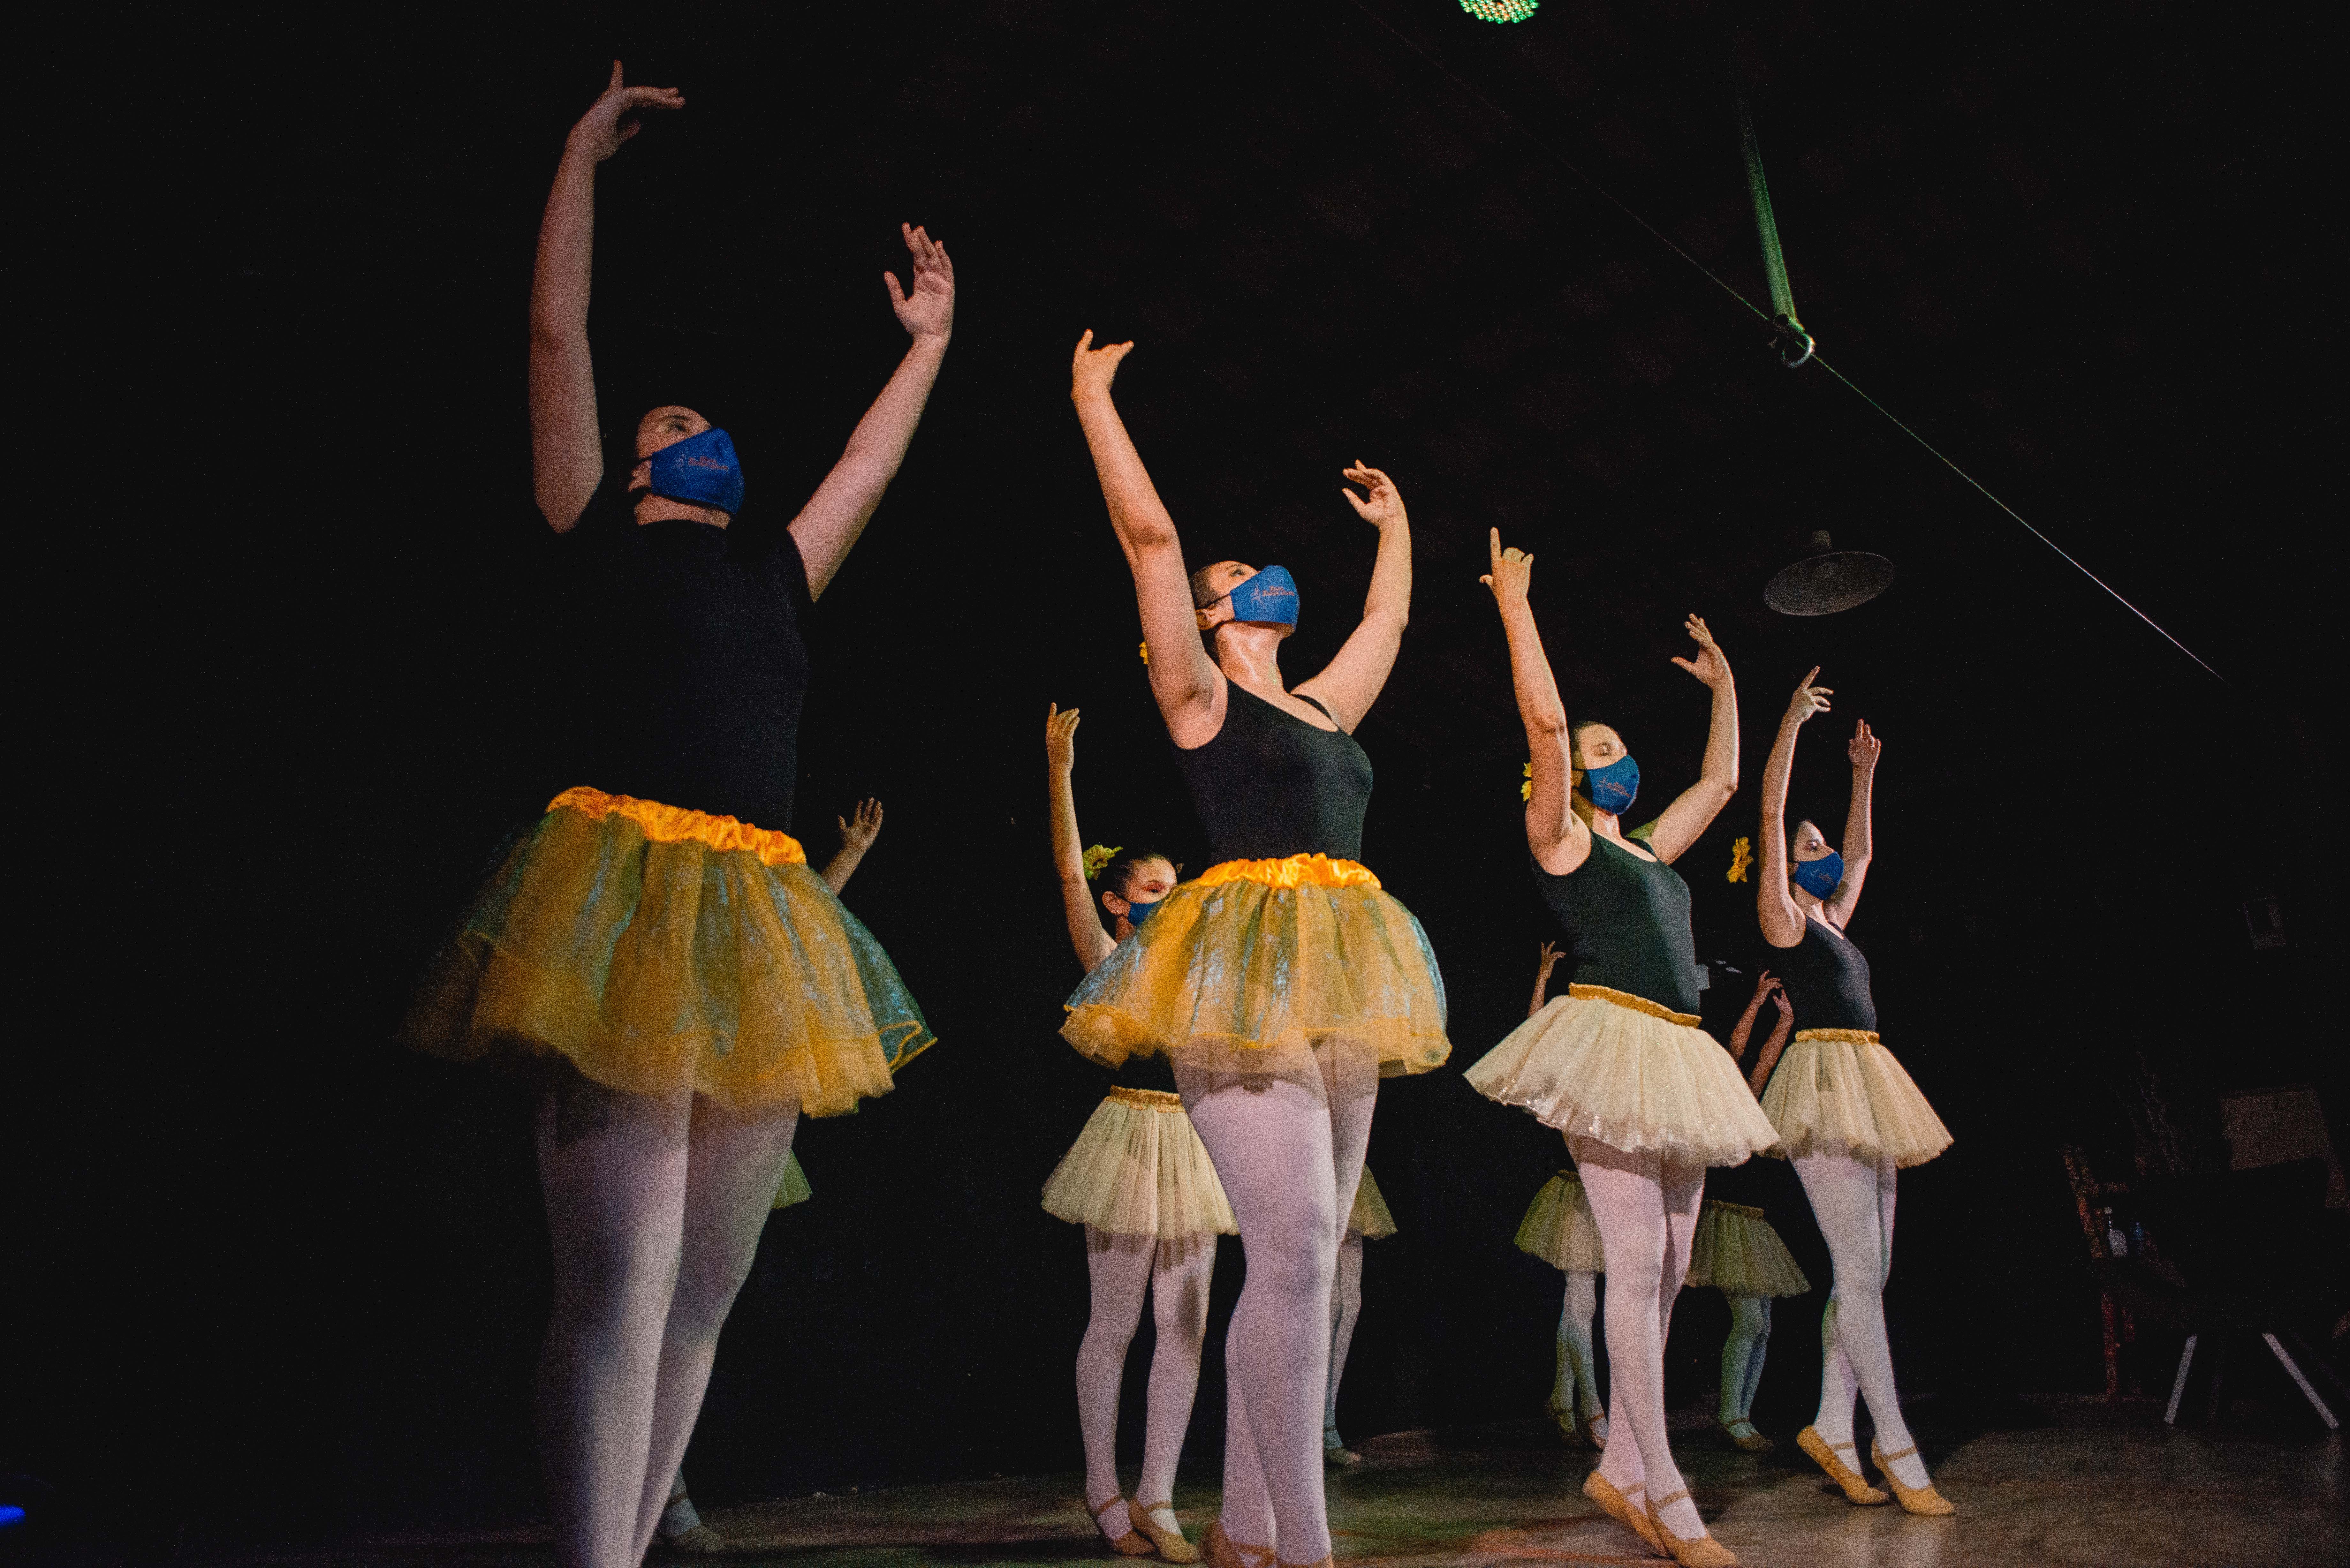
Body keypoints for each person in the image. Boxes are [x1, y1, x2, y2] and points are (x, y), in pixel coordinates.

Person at [396, 62, 954, 1568]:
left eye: (705, 415)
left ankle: (631, 1542)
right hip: (624, 898)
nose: (698, 423)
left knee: (706, 1291)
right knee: (622, 1282)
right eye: (675, 415)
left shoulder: (776, 570)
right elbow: (556, 334)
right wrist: (578, 157)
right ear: (642, 463)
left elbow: (869, 461)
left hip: (759, 917)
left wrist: (927, 345)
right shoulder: (590, 524)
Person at [1060, 332, 1451, 1568]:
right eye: (1239, 574)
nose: (1262, 574)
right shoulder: (1200, 697)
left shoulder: (1324, 704)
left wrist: (1397, 523)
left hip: (1343, 974)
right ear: (1213, 615)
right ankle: (1306, 1549)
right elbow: (1151, 543)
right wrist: (1093, 400)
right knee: (1288, 1249)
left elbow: (1389, 616)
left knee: (1307, 1258)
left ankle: (1243, 1525)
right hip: (1238, 973)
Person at [1463, 533, 1776, 1568]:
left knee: (1672, 1268)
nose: (1617, 755)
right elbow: (1547, 724)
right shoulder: (1560, 838)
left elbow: (1721, 782)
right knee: (1637, 1267)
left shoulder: (1647, 850)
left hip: (1679, 1049)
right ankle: (1666, 1491)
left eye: (1618, 745)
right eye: (1604, 748)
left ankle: (1626, 1468)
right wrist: (1516, 609)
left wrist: (1727, 686)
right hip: (1609, 1039)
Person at [656, 802, 883, 1556]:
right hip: (668, 1100)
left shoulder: (759, 910)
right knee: (642, 1297)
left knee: (696, 1304)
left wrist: (848, 854)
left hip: (734, 1106)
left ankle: (663, 1486)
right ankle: (651, 1492)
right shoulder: (669, 920)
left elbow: (801, 913)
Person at [1753, 672, 1955, 1515]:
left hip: (1869, 1079)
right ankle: (1894, 1443)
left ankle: (1834, 1426)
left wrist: (1863, 775)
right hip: (1823, 1084)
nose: (1821, 848)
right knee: (1859, 1273)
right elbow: (1770, 812)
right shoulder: (1785, 919)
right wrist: (1790, 725)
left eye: (1819, 841)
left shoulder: (1835, 916)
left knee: (1871, 1272)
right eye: (1807, 844)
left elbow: (1863, 854)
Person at [1042, 704, 1232, 1563]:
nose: (1169, 900)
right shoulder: (1108, 955)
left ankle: (1158, 1493)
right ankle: (1102, 1487)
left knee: (1186, 1322)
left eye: (1173, 888)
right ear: (1121, 902)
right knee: (1115, 1323)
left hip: (1193, 1143)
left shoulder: (1199, 965)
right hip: (1127, 1136)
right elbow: (1070, 877)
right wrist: (1060, 774)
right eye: (1153, 891)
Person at [1692, 971, 1812, 1454]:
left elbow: (1764, 1060)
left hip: (1753, 1221)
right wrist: (1758, 1000)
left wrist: (1785, 1021)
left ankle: (1741, 1415)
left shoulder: (1753, 1103)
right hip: (1727, 1221)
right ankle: (1730, 1415)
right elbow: (1738, 1050)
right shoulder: (1717, 1110)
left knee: (1763, 1324)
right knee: (1748, 1320)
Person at [1510, 943, 1608, 1450]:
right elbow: (1532, 1040)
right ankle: (1594, 1411)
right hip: (1573, 1197)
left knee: (1579, 1303)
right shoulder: (1563, 1082)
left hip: (1599, 1196)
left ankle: (1561, 1398)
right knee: (1582, 1303)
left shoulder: (1603, 1077)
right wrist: (1543, 979)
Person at [1322, 1167, 1397, 1468]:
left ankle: (1327, 1423)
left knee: (1351, 1303)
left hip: (1348, 1170)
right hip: (1316, 1167)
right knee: (1332, 1305)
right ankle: (1320, 1429)